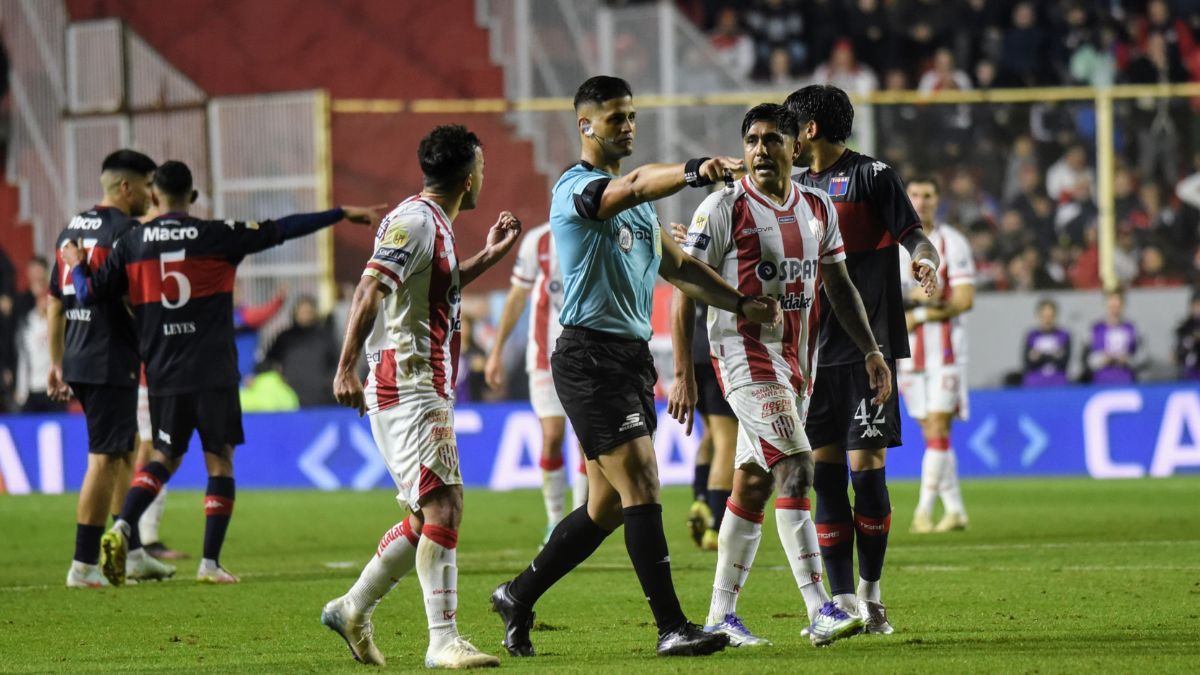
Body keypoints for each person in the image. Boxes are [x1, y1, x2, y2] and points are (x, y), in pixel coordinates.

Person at [490, 75, 779, 659]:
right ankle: (672, 626)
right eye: (615, 117)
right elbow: (635, 183)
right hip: (587, 356)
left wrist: (742, 302)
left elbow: (683, 271)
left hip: (628, 359)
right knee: (644, 483)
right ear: (585, 125)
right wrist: (697, 169)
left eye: (631, 116)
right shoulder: (578, 188)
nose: (627, 126)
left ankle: (517, 595)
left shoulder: (641, 209)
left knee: (607, 506)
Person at [64, 160, 380, 587]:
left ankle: (122, 528)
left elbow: (90, 294)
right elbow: (282, 228)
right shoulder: (216, 235)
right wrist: (339, 213)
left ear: (154, 196)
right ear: (193, 197)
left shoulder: (132, 241)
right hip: (213, 369)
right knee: (219, 461)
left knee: (161, 458)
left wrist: (77, 262)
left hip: (162, 372)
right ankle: (210, 564)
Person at [669, 103, 893, 647]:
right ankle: (821, 608)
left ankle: (721, 614)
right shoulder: (722, 208)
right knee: (797, 465)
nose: (761, 149)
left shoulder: (817, 207)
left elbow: (838, 285)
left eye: (772, 139)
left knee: (752, 481)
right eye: (751, 140)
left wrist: (870, 350)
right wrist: (683, 372)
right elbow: (683, 285)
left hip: (799, 363)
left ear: (795, 148)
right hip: (743, 358)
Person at [321, 124, 519, 669]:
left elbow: (439, 287)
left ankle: (352, 608)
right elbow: (369, 289)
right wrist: (344, 367)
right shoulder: (414, 222)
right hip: (407, 380)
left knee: (423, 515)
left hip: (425, 380)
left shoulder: (433, 223)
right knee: (445, 504)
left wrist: (488, 256)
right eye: (481, 166)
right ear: (469, 175)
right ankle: (442, 640)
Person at [787, 84, 940, 634]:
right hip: (808, 356)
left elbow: (915, 236)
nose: (785, 138)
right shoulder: (794, 187)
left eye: (790, 127)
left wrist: (925, 262)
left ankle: (873, 597)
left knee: (866, 472)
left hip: (866, 350)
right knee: (824, 478)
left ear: (810, 130)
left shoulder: (872, 176)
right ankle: (843, 601)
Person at [47, 149, 173, 588]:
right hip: (108, 358)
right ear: (127, 187)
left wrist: (56, 360)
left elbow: (53, 300)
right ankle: (82, 566)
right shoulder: (126, 233)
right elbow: (130, 297)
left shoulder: (71, 227)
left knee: (121, 454)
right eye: (146, 186)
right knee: (104, 459)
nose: (151, 195)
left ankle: (133, 553)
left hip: (80, 354)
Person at [484, 222, 589, 542]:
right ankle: (556, 521)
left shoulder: (598, 231)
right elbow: (518, 295)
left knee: (587, 442)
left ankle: (579, 524)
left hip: (588, 356)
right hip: (545, 356)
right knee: (553, 435)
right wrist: (496, 350)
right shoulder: (538, 240)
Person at [897, 178, 976, 535]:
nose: (921, 201)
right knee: (931, 431)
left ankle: (923, 512)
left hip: (945, 351)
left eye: (928, 195)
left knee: (940, 427)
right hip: (909, 354)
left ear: (938, 200)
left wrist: (923, 313)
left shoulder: (953, 243)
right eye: (915, 194)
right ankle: (956, 510)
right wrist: (916, 302)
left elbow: (964, 299)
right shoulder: (893, 244)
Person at [683, 300, 737, 551]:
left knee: (711, 435)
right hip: (717, 353)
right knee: (727, 440)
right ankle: (716, 526)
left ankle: (701, 499)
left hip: (693, 354)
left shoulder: (693, 262)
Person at [262, 295, 339, 407]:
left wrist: (326, 383)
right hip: (290, 396)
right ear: (295, 313)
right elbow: (268, 361)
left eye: (308, 312)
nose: (305, 315)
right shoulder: (285, 337)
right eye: (302, 312)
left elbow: (336, 363)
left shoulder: (324, 337)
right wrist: (278, 378)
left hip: (320, 398)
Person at [15, 257, 64, 412]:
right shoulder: (27, 322)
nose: (44, 301)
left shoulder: (60, 321)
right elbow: (23, 357)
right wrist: (21, 389)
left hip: (54, 386)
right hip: (32, 388)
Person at [1086, 289, 1138, 384]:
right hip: (1101, 380)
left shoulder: (1130, 328)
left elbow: (1141, 357)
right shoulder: (1097, 328)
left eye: (1117, 306)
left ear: (1123, 306)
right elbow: (1087, 358)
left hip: (1125, 378)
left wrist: (1127, 360)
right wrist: (1102, 359)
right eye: (1112, 306)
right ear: (1106, 306)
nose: (1114, 310)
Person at [1022, 299, 1072, 387]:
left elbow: (1064, 361)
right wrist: (1053, 355)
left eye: (1050, 316)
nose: (1047, 320)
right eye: (1044, 316)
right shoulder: (1031, 336)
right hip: (1035, 381)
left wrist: (1039, 356)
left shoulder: (1063, 335)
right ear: (1038, 316)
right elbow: (1027, 362)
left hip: (1057, 381)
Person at [1174, 290, 1200, 381]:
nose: (1198, 308)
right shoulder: (1185, 326)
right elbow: (1178, 351)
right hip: (1189, 371)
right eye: (1195, 305)